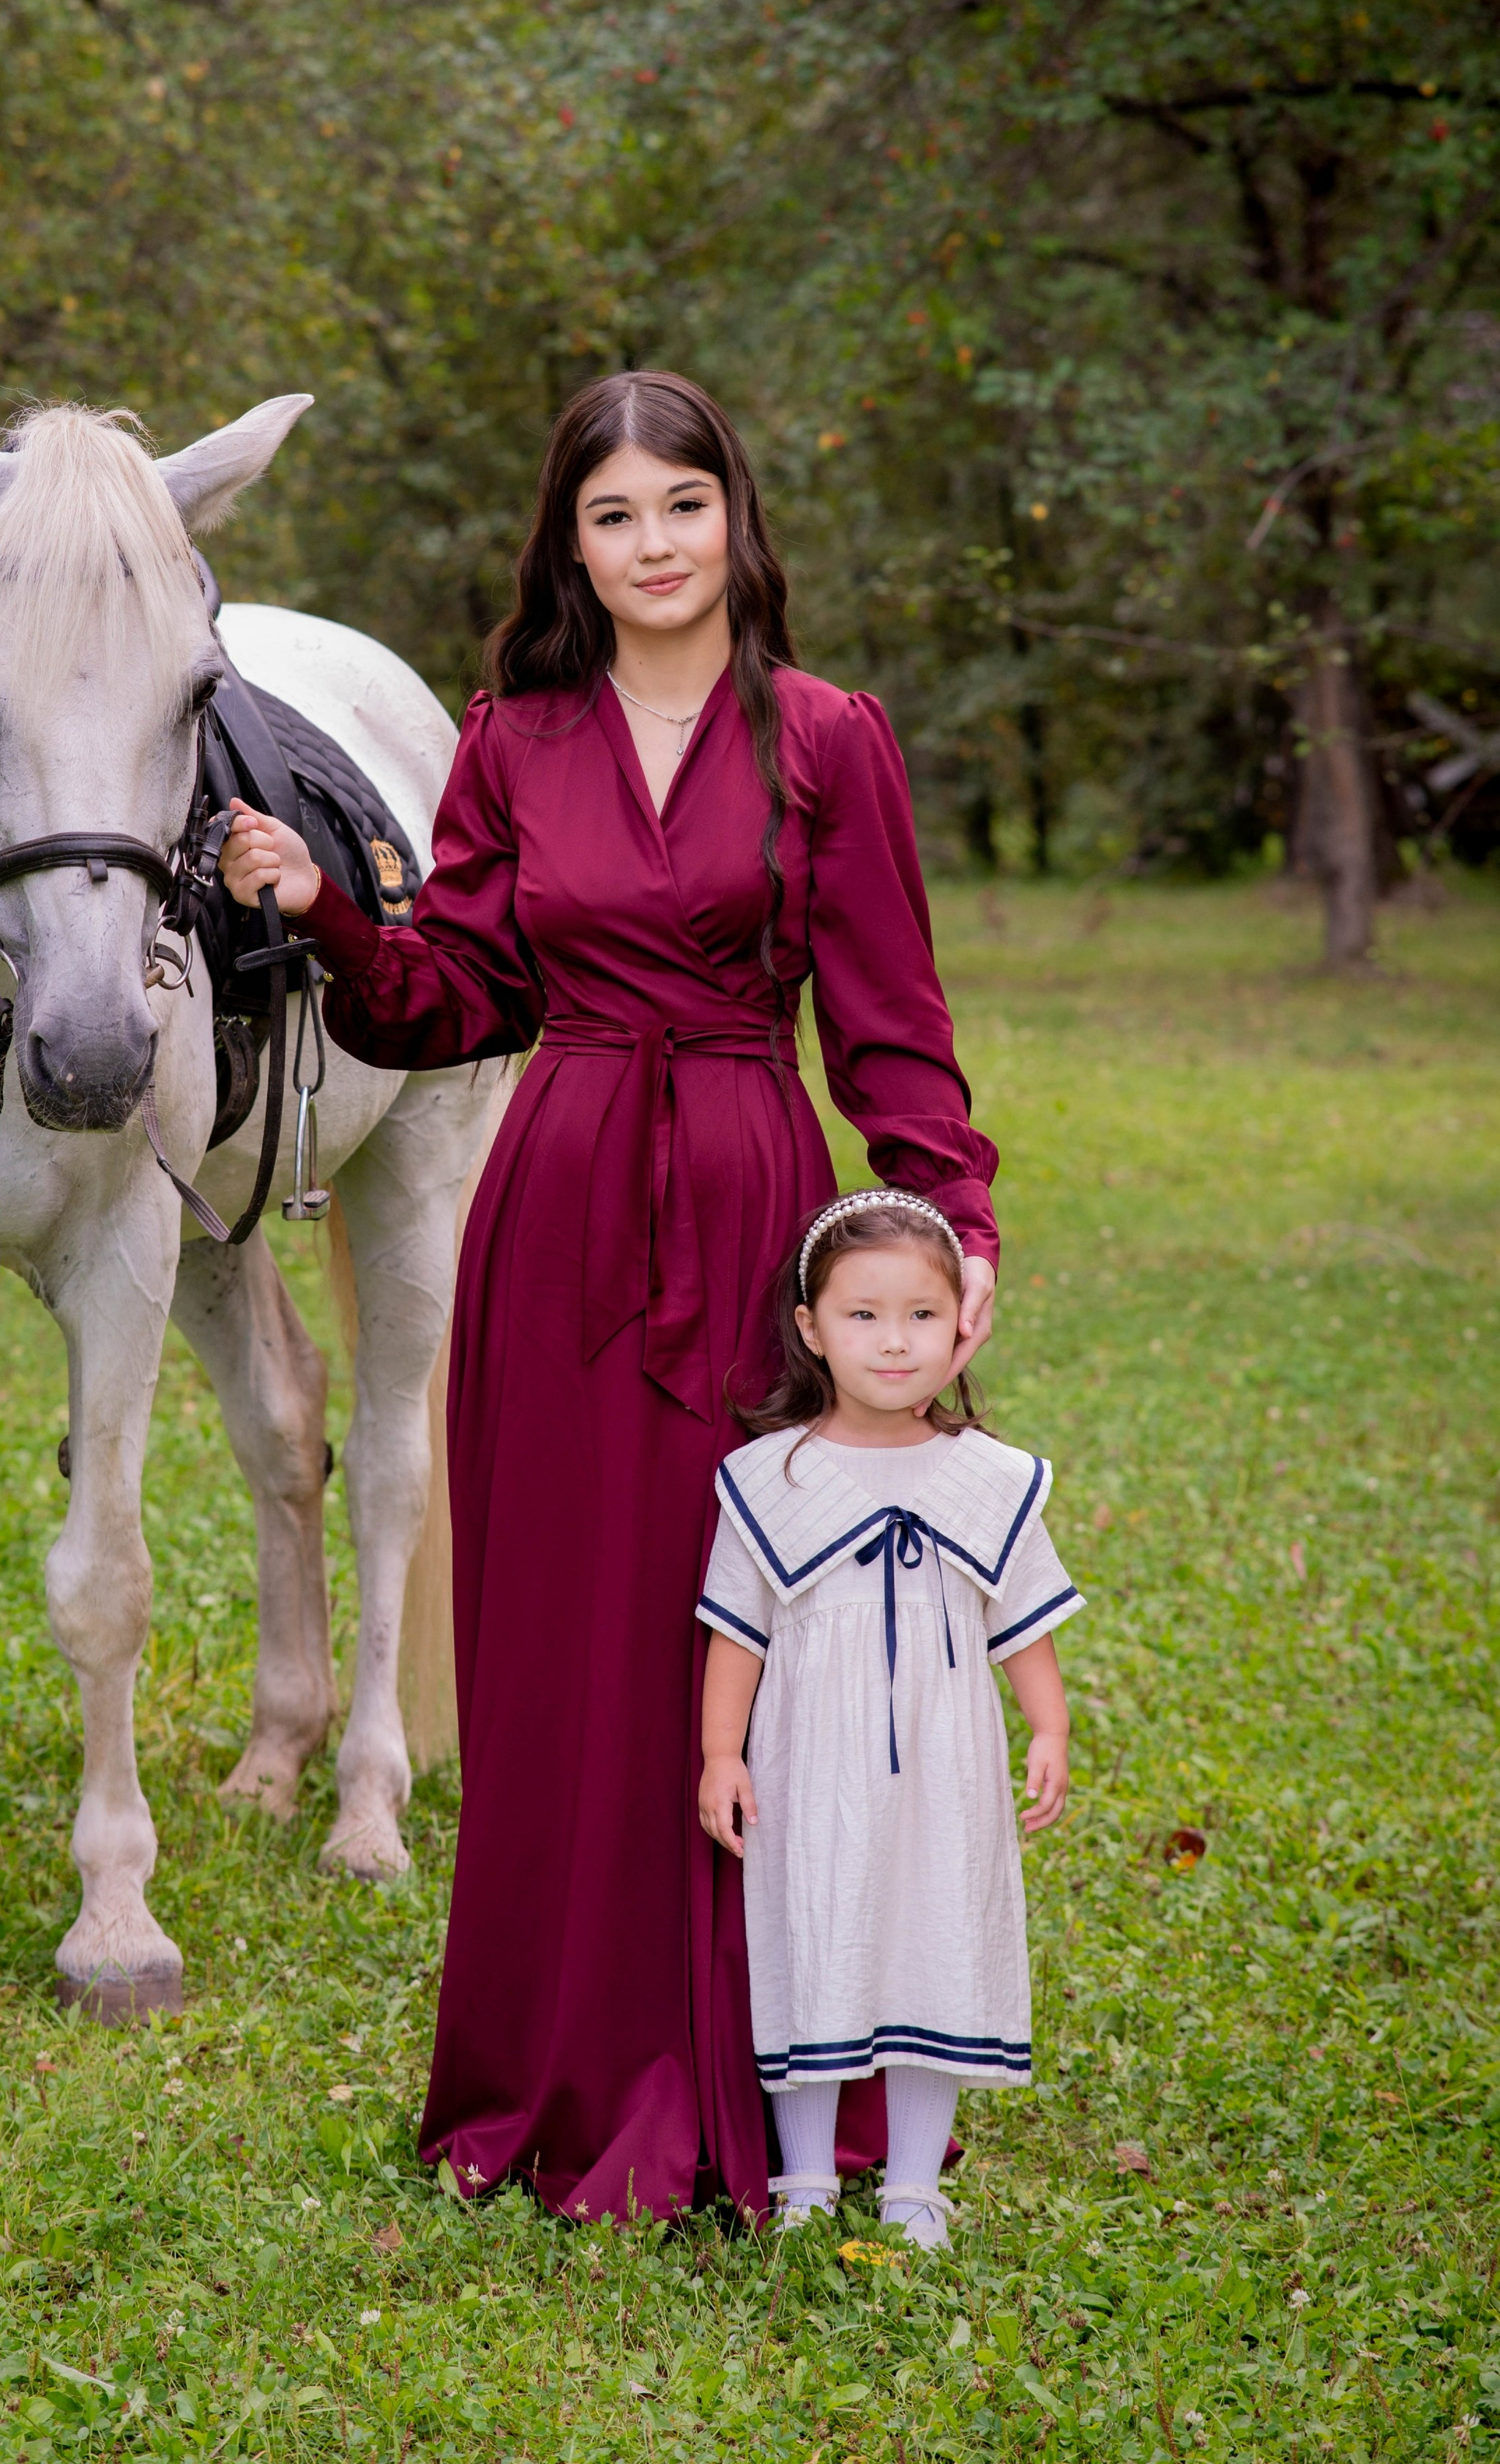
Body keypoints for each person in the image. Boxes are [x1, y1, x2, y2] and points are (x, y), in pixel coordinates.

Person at [220, 370, 1000, 2224]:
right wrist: (327, 910)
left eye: (681, 504)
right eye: (612, 515)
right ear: (567, 547)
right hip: (555, 1215)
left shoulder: (827, 738)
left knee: (759, 1638)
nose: (653, 544)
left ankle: (776, 2081)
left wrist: (945, 1228)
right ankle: (558, 2080)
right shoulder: (514, 736)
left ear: (735, 515)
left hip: (748, 1209)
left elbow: (891, 1027)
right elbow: (451, 997)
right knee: (564, 1650)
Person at [698, 1190, 1080, 2241]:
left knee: (938, 1937)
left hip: (948, 1765)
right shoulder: (770, 1479)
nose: (896, 1341)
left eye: (922, 1314)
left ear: (961, 1322)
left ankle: (915, 2185)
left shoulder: (988, 1478)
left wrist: (1049, 1728)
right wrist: (721, 1753)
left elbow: (1023, 1620)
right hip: (811, 1765)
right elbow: (738, 1632)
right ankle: (805, 2179)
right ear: (812, 1329)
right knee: (813, 1936)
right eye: (863, 1315)